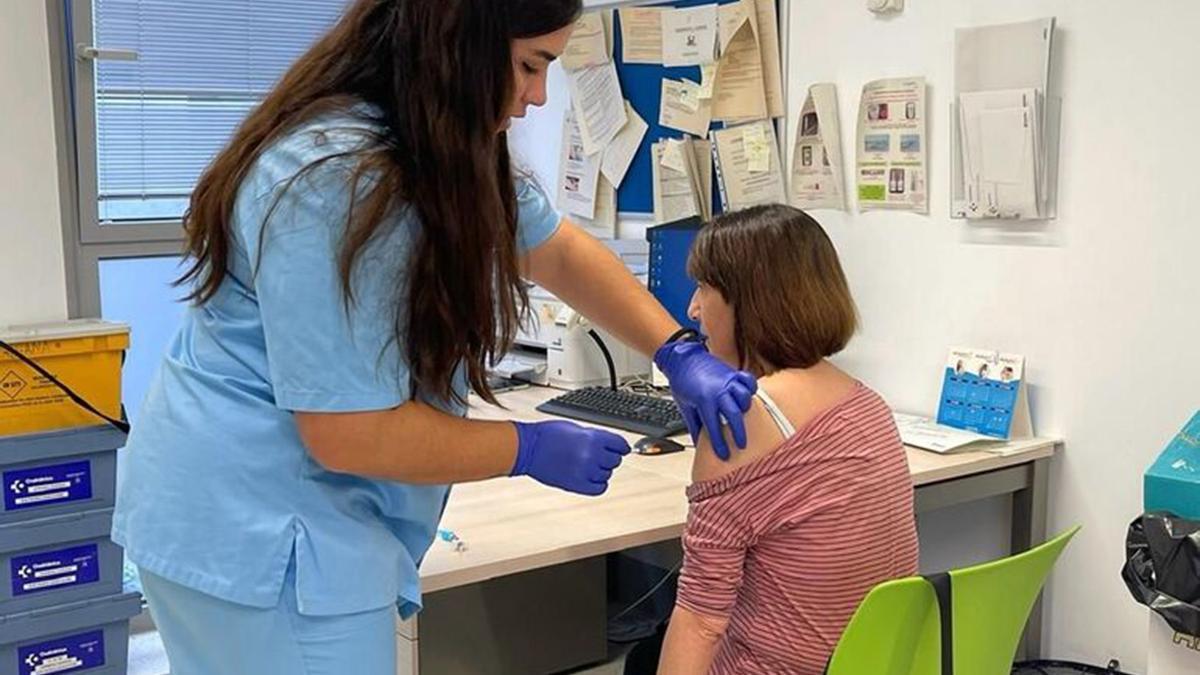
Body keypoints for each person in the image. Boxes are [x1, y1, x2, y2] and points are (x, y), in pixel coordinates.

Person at [111, 2, 755, 673]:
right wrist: (526, 445)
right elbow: (347, 431)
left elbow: (556, 250)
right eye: (530, 65)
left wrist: (675, 347)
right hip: (258, 530)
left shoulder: (437, 144)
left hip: (256, 513)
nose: (537, 96)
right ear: (456, 44)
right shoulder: (335, 175)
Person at [656, 204, 919, 675]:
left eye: (704, 288)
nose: (693, 308)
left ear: (749, 300)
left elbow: (701, 622)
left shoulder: (743, 419)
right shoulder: (867, 403)